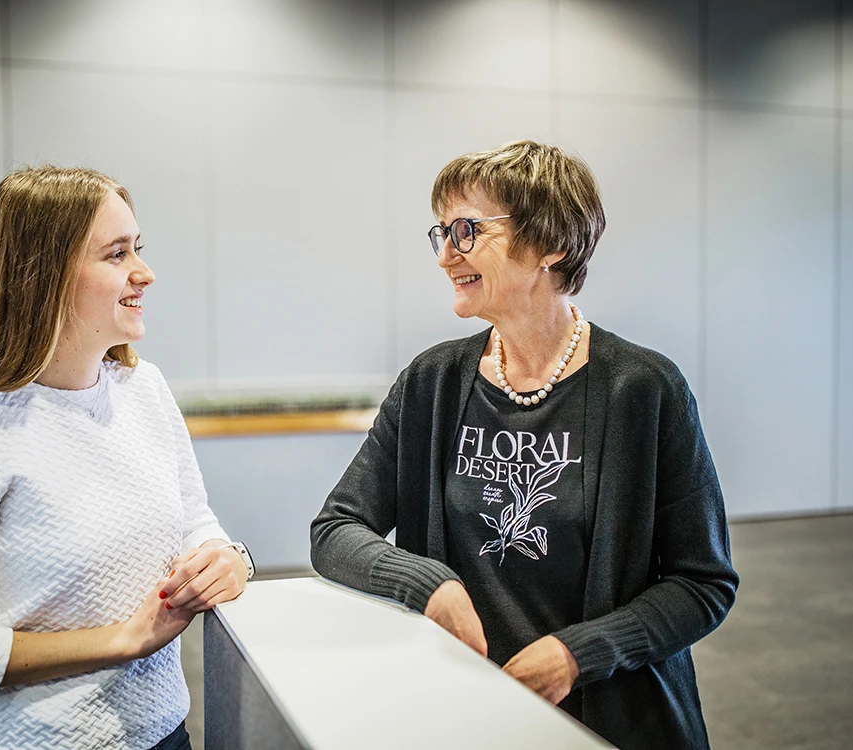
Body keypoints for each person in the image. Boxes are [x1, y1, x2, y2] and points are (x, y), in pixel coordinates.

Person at [310, 140, 738, 749]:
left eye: (467, 230)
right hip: (467, 715)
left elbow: (704, 583)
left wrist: (577, 654)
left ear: (551, 245)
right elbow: (335, 530)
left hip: (609, 722)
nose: (445, 256)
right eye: (442, 234)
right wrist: (429, 583)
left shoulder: (644, 389)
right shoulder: (431, 383)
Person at [0, 166, 252, 750]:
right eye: (116, 254)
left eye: (138, 248)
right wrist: (122, 641)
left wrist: (228, 558)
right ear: (43, 277)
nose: (145, 272)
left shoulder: (144, 389)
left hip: (165, 736)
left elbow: (193, 521)